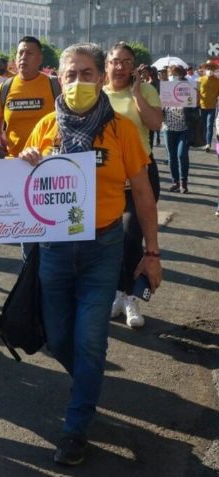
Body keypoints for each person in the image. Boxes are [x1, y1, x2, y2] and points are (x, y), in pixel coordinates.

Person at [18, 42, 161, 466]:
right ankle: (88, 380)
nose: (77, 82)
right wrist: (26, 161)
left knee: (91, 340)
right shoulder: (45, 128)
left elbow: (144, 195)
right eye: (69, 74)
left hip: (103, 248)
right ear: (57, 78)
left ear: (100, 77)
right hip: (55, 250)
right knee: (61, 338)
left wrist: (151, 252)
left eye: (85, 73)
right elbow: (22, 191)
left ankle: (75, 428)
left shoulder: (120, 130)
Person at [103, 42, 163, 328]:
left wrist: (137, 93)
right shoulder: (98, 95)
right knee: (111, 240)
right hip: (109, 179)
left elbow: (155, 125)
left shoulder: (146, 91)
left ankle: (132, 299)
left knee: (131, 238)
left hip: (140, 177)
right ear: (107, 65)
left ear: (134, 66)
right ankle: (117, 292)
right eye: (115, 61)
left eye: (127, 62)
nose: (121, 67)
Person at [0, 37, 59, 160]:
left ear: (40, 59)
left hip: (45, 163)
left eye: (29, 53)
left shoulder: (55, 85)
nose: (24, 57)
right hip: (13, 163)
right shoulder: (4, 88)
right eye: (20, 53)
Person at [163, 65, 194, 194]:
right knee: (171, 156)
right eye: (171, 73)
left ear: (181, 75)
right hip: (168, 127)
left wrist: (189, 99)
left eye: (175, 74)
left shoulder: (188, 88)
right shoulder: (165, 88)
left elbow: (193, 107)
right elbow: (160, 106)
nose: (172, 76)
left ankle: (183, 182)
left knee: (181, 155)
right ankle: (175, 181)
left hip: (184, 127)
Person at [197, 63, 219, 152]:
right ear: (205, 70)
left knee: (209, 125)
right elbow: (197, 92)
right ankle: (205, 141)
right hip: (202, 106)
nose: (210, 71)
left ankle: (208, 144)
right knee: (203, 126)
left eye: (211, 69)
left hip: (212, 106)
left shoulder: (217, 81)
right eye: (208, 69)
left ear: (214, 70)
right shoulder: (200, 79)